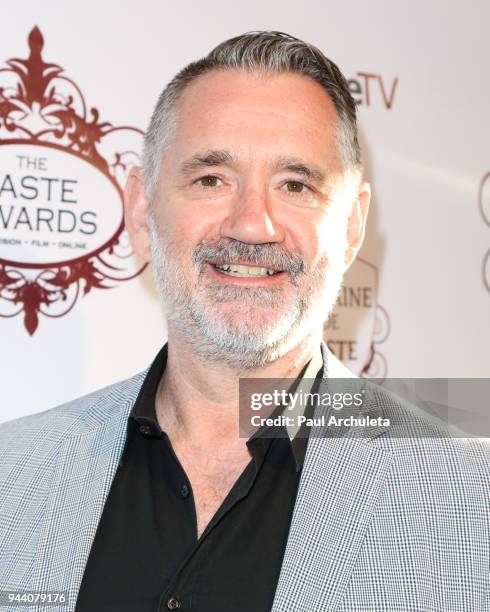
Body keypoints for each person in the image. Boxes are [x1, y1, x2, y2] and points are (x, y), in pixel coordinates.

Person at [0, 31, 488, 612]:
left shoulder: (466, 499)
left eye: (295, 185)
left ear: (353, 225)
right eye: (211, 179)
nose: (252, 224)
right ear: (140, 207)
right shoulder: (14, 472)